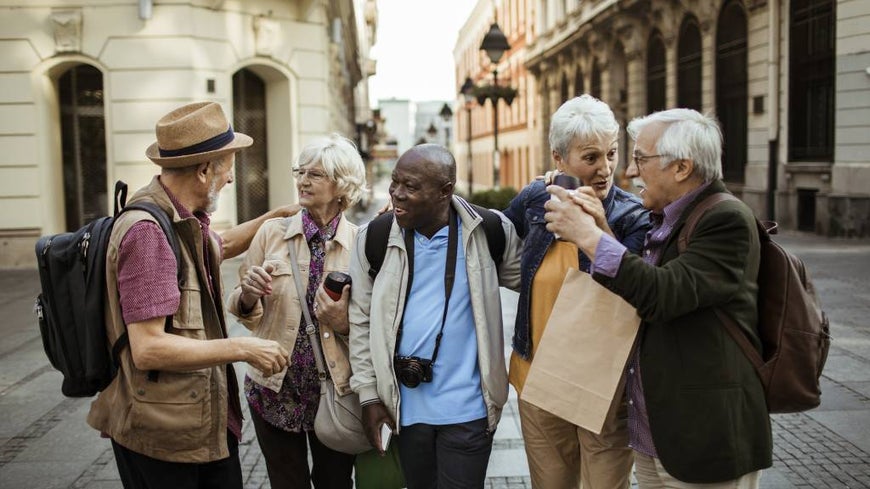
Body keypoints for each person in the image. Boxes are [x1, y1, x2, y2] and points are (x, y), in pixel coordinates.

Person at [544, 108, 772, 488]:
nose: (629, 172)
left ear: (681, 168)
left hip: (703, 439)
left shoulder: (725, 218)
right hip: (656, 436)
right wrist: (602, 229)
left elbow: (664, 294)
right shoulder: (668, 217)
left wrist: (588, 237)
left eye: (639, 159)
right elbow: (642, 290)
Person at [87, 101, 298, 489]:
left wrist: (278, 216)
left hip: (191, 424)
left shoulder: (180, 221)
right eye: (228, 167)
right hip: (164, 437)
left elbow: (223, 244)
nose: (231, 179)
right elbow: (148, 348)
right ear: (204, 171)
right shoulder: (149, 234)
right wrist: (246, 348)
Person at [348, 144, 521, 489]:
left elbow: (537, 284)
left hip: (470, 411)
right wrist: (368, 395)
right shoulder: (375, 237)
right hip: (405, 410)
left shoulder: (488, 231)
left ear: (445, 191)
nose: (396, 193)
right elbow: (360, 320)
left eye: (410, 187)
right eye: (395, 183)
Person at [502, 94, 651, 489]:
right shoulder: (537, 200)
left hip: (602, 383)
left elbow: (632, 287)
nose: (605, 169)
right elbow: (491, 237)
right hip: (537, 377)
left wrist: (598, 228)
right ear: (559, 158)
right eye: (591, 158)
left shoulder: (632, 216)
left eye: (612, 154)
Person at [226, 134, 367, 488]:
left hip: (335, 389)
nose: (303, 180)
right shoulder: (271, 234)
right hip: (274, 387)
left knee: (334, 481)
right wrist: (247, 295)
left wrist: (343, 323)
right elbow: (248, 315)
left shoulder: (362, 245)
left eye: (315, 174)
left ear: (341, 184)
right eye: (300, 172)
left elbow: (374, 324)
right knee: (286, 481)